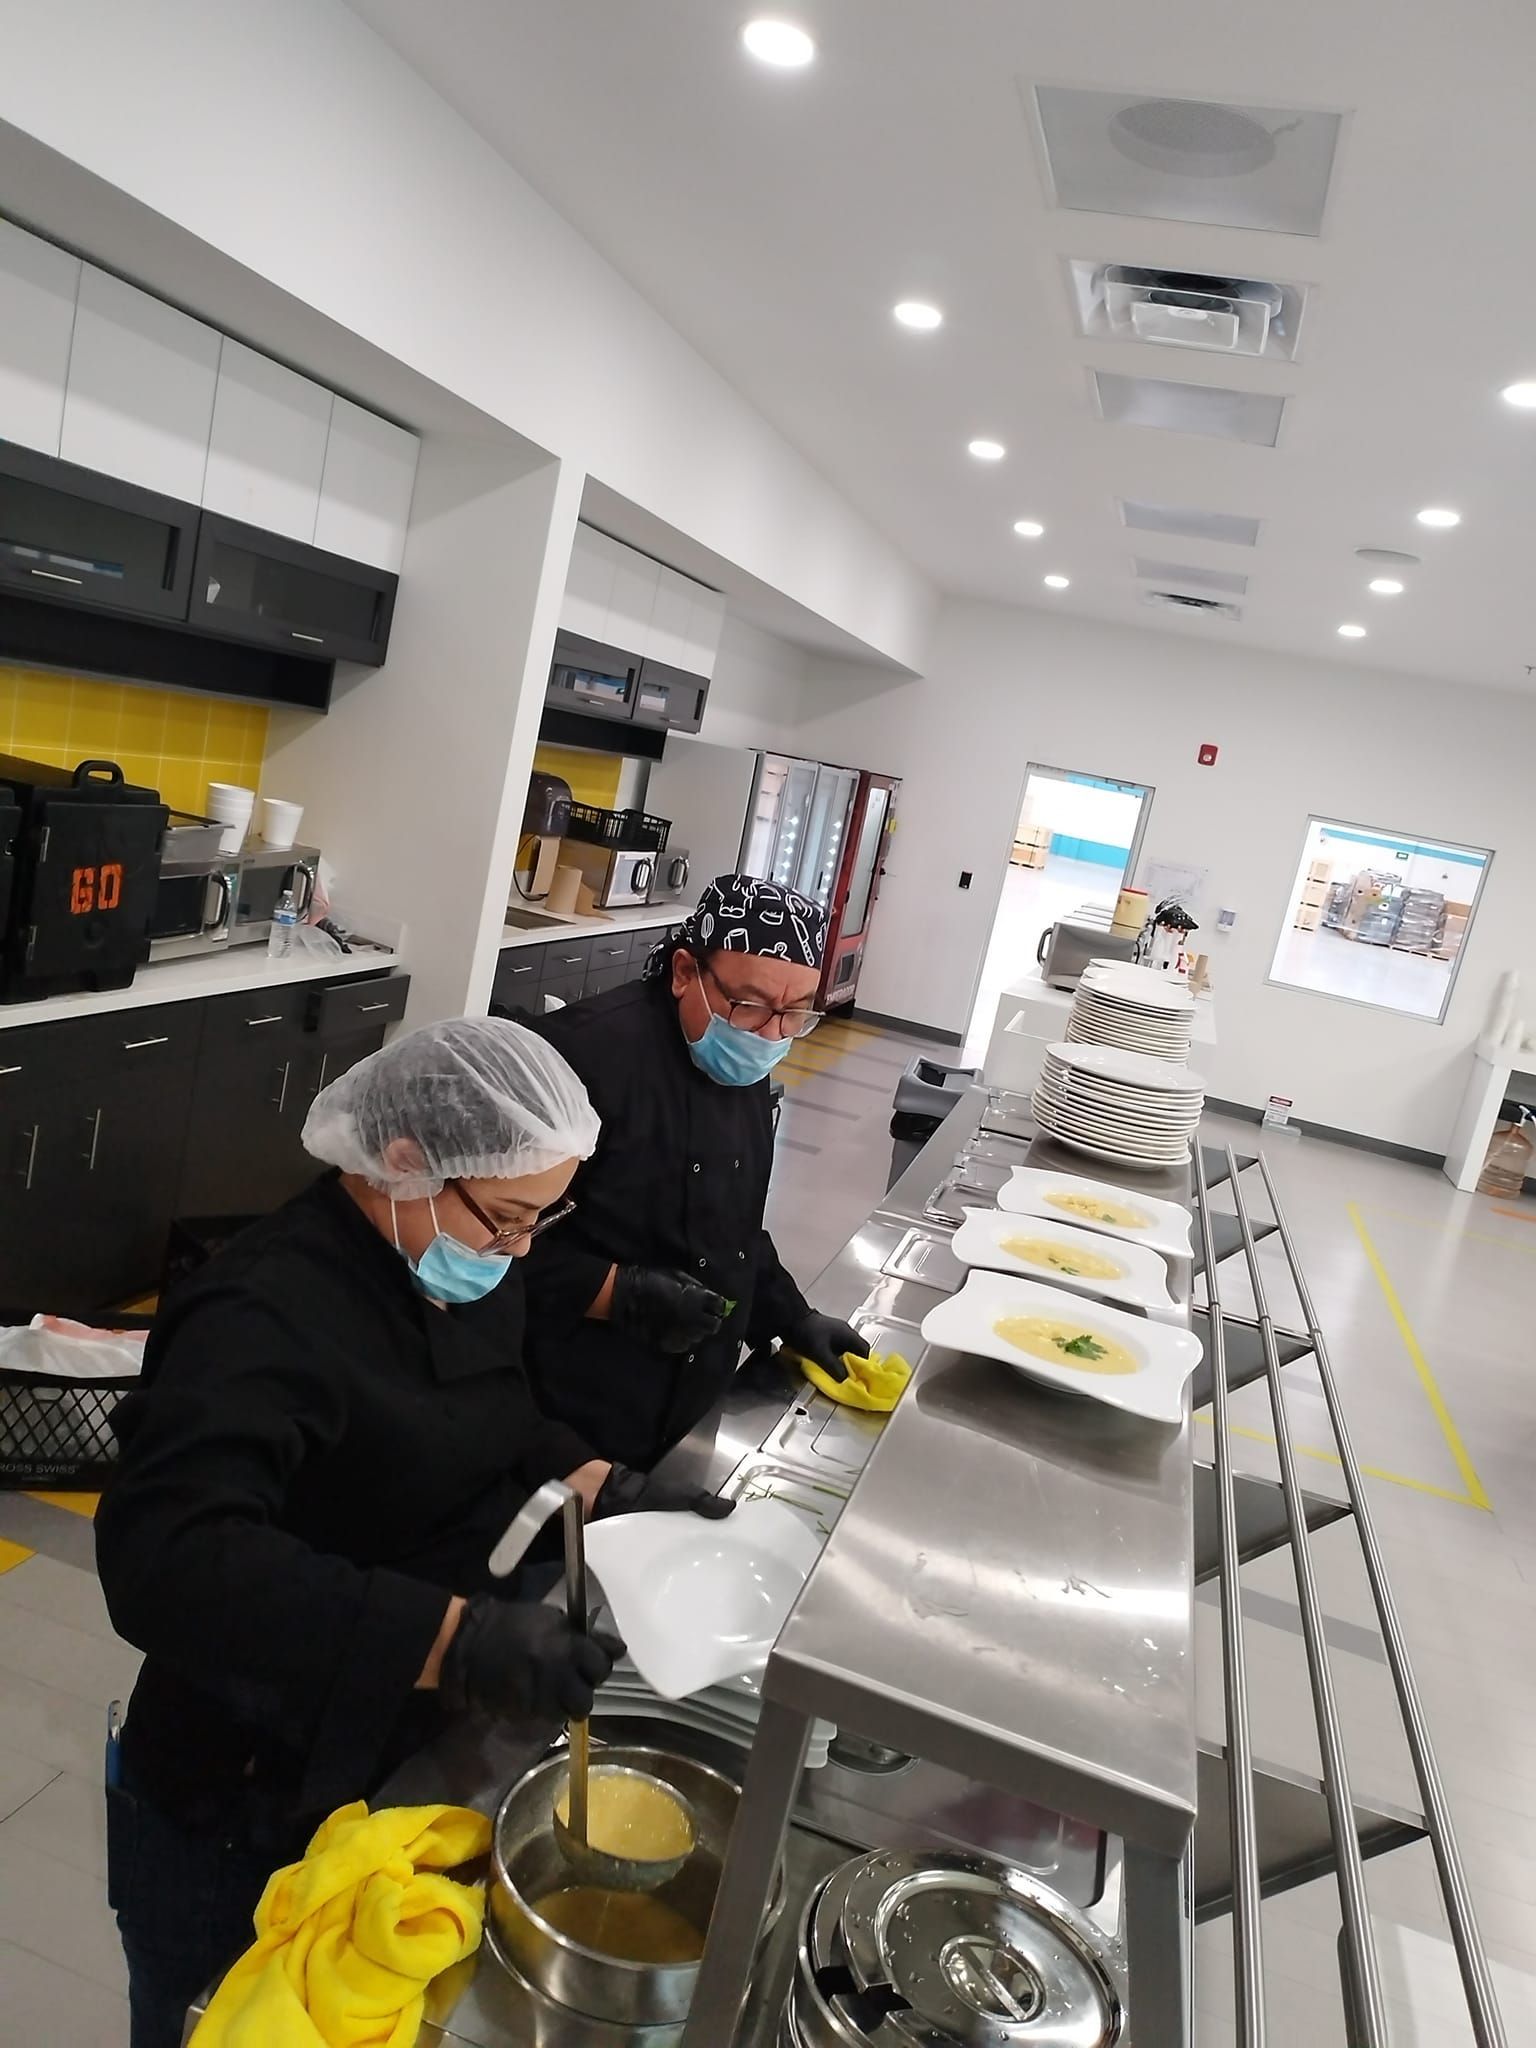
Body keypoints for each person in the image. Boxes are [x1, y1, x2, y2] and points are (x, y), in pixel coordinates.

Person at [96, 1015, 726, 2048]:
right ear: (404, 1161)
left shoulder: (456, 1251)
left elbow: (497, 1414)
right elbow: (168, 1559)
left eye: (541, 1222)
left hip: (387, 1756)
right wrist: (454, 1639)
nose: (520, 1248)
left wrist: (605, 1483)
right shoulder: (260, 1311)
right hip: (241, 1789)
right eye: (510, 1218)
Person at [523, 874, 869, 1468]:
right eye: (753, 1004)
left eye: (797, 1013)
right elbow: (486, 1244)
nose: (771, 1034)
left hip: (689, 1392)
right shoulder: (580, 1058)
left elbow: (732, 1224)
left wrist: (789, 1314)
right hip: (573, 1402)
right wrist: (618, 1294)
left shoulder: (746, 1057)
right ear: (685, 971)